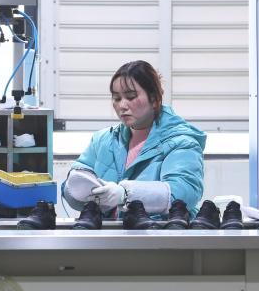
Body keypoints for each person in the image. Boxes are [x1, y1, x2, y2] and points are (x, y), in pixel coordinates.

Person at [61, 60, 206, 225]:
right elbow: (72, 186)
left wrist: (126, 194)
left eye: (131, 97)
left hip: (161, 235)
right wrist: (77, 188)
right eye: (116, 98)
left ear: (154, 99)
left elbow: (184, 192)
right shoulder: (103, 140)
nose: (122, 105)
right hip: (110, 236)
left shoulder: (181, 142)